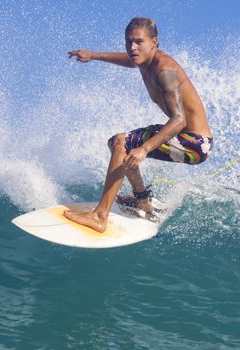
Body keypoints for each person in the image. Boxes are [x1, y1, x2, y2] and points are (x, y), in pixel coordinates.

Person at [65, 17, 213, 232]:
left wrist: (145, 149)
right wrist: (93, 56)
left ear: (153, 43)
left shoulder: (164, 70)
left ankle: (99, 217)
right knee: (116, 143)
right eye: (128, 42)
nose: (132, 47)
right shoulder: (144, 61)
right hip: (184, 138)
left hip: (195, 144)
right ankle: (142, 200)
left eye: (138, 42)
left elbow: (179, 119)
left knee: (122, 143)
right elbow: (128, 60)